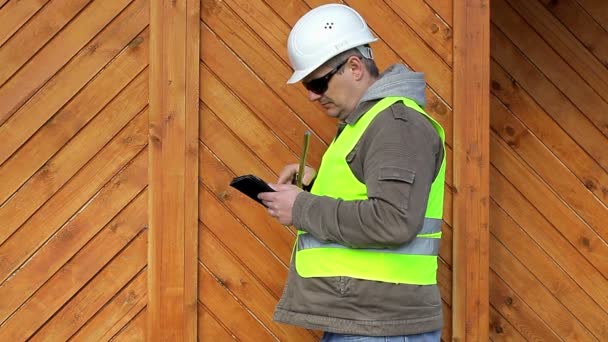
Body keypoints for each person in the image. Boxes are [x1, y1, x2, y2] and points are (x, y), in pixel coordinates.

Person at [258, 3, 446, 341]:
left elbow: (393, 220)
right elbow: (369, 199)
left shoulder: (396, 125)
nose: (313, 97)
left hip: (382, 327)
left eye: (318, 83)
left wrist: (301, 207)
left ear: (355, 67)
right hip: (366, 321)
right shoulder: (369, 124)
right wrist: (313, 186)